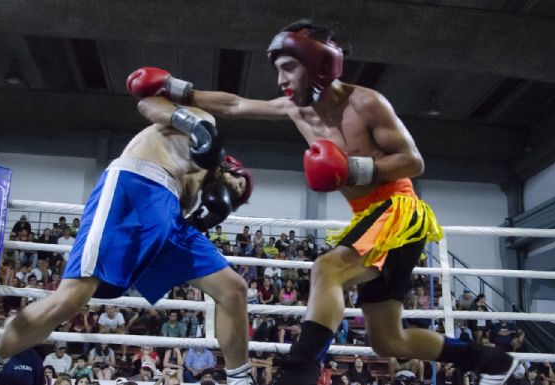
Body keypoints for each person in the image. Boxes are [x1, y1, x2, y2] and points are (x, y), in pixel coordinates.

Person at [146, 18, 517, 385]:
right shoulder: (295, 109)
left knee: (327, 269)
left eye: (289, 68)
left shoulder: (367, 102)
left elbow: (413, 162)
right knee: (388, 340)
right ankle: (494, 362)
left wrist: (351, 168)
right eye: (279, 71)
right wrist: (175, 88)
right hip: (369, 217)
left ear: (319, 63)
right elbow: (236, 105)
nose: (281, 81)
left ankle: (298, 375)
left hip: (399, 210)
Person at [0, 78, 254, 385]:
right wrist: (191, 123)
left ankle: (240, 379)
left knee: (233, 288)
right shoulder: (204, 133)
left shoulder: (192, 199)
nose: (236, 191)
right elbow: (147, 103)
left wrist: (199, 222)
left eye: (238, 197)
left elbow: (179, 220)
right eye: (239, 184)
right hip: (137, 186)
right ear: (231, 166)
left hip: (169, 218)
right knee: (69, 301)